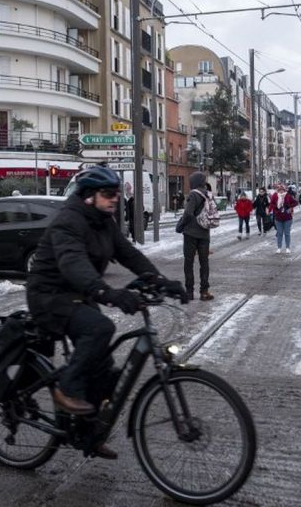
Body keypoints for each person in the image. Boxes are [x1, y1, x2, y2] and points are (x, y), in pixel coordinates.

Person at [26, 166, 187, 458]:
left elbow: (128, 253)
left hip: (78, 295)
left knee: (105, 371)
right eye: (109, 194)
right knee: (99, 328)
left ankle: (88, 434)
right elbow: (72, 263)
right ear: (89, 196)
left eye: (117, 194)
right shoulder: (69, 221)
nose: (115, 199)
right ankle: (67, 387)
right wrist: (106, 292)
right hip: (49, 296)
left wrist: (159, 280)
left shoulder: (103, 222)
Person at [180, 172, 213, 301]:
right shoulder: (208, 194)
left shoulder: (193, 194)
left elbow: (188, 213)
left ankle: (189, 292)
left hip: (191, 234)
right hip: (205, 233)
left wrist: (181, 225)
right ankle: (204, 291)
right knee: (204, 262)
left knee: (189, 262)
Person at [269, 183, 298, 254]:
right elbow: (271, 204)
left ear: (284, 190)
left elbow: (296, 202)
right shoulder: (275, 196)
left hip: (287, 218)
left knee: (287, 233)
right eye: (280, 190)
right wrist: (272, 209)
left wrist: (290, 207)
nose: (281, 191)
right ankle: (279, 248)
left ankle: (287, 248)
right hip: (278, 217)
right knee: (279, 233)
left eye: (282, 190)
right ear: (278, 190)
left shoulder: (288, 196)